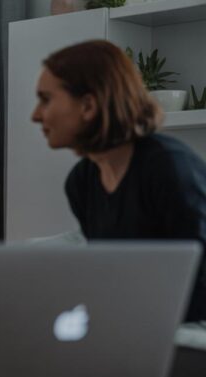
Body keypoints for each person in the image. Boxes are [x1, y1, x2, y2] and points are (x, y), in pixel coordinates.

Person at [31, 39, 206, 322]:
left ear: (88, 105)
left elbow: (198, 285)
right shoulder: (82, 181)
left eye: (46, 99)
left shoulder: (169, 168)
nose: (35, 115)